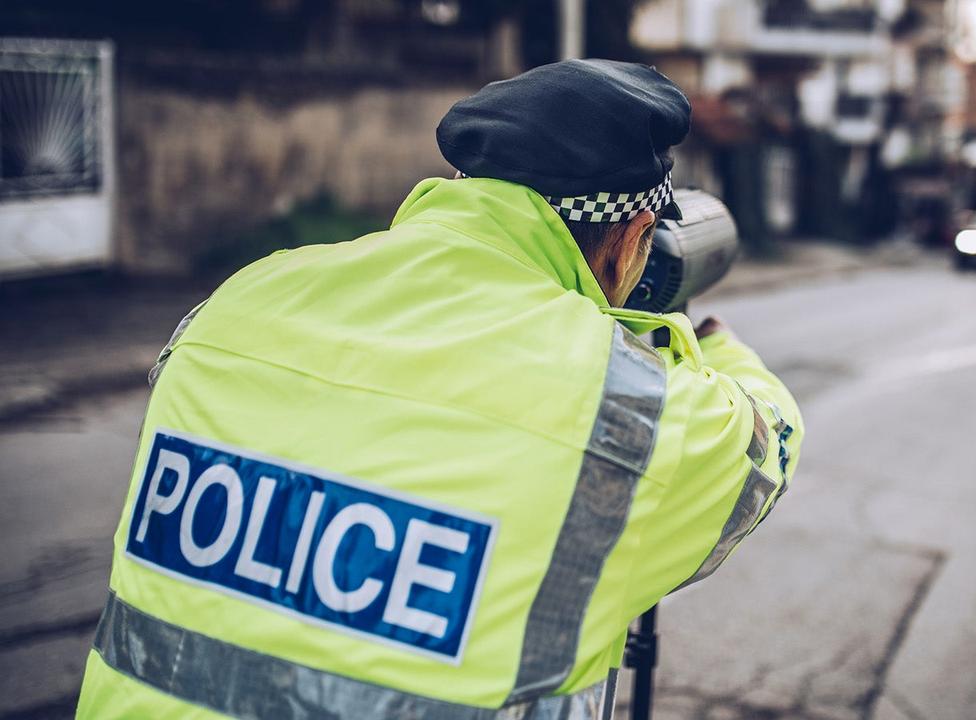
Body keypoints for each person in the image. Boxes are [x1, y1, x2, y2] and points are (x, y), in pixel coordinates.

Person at [77, 59, 802, 719]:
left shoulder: (239, 302)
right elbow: (768, 442)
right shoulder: (629, 409)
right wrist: (706, 345)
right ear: (630, 234)